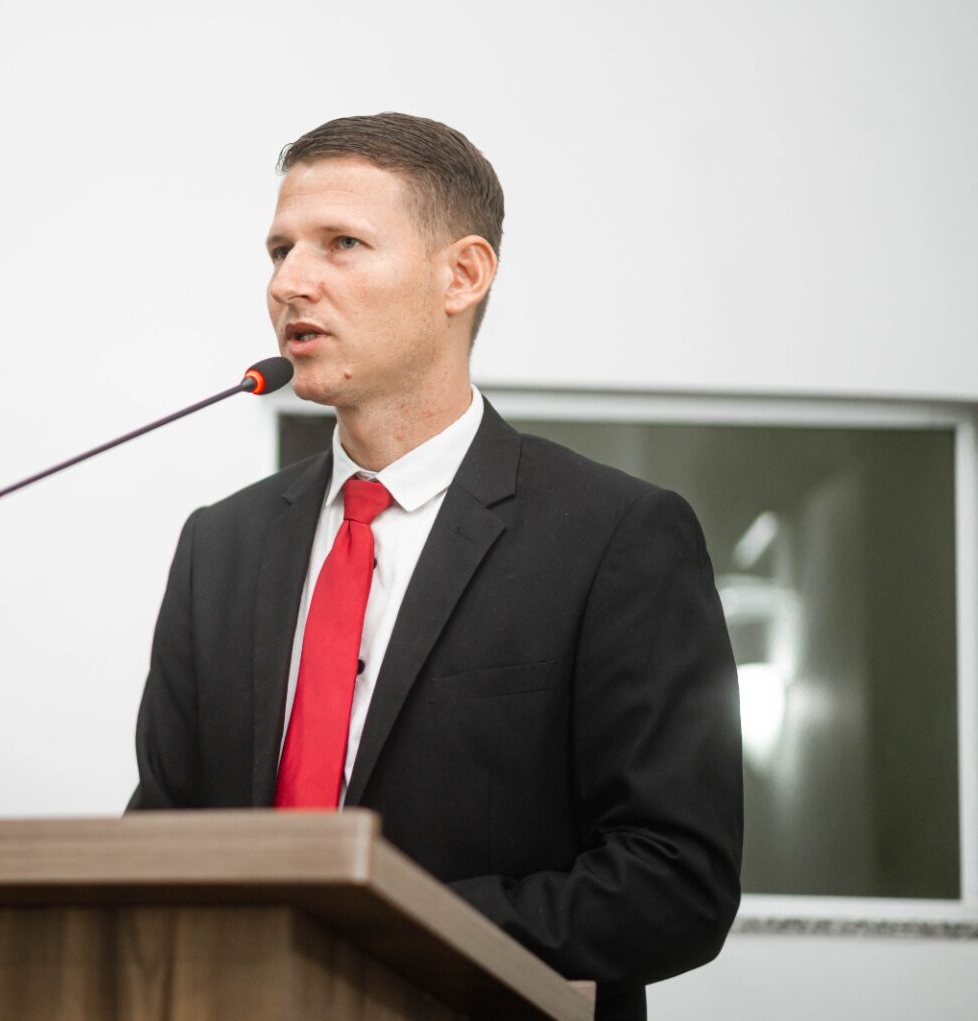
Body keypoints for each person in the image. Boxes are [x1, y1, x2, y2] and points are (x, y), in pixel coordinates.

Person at [127, 112, 742, 1021]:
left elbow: (675, 881)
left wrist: (380, 931)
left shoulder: (616, 536)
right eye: (280, 250)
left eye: (342, 243)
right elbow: (160, 840)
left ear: (463, 275)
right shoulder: (221, 544)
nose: (291, 282)